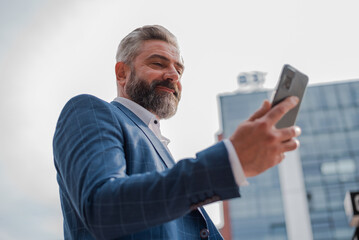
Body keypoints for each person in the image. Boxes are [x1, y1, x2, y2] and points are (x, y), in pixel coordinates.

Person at [53, 25, 301, 240]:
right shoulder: (90, 111)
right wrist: (231, 159)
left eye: (179, 70)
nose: (173, 75)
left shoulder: (160, 148)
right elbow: (102, 206)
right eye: (158, 63)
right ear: (122, 73)